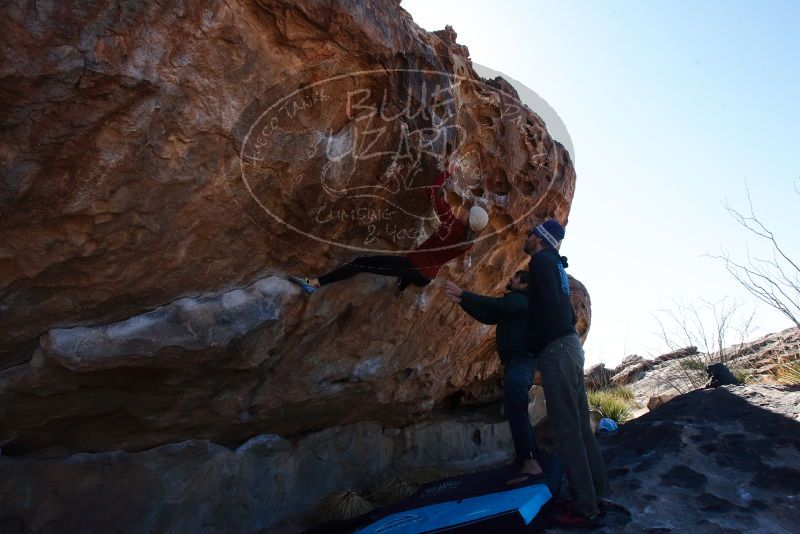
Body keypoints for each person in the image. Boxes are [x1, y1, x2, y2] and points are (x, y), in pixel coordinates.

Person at [523, 219, 609, 529]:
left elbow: (545, 309)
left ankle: (585, 507)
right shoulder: (556, 265)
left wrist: (531, 343)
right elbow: (569, 313)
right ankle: (599, 493)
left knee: (567, 430)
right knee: (581, 427)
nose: (526, 236)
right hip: (571, 347)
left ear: (540, 238)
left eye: (530, 232)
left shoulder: (540, 261)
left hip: (557, 351)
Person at [290, 163, 489, 294]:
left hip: (413, 267)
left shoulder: (451, 222)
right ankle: (400, 287)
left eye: (467, 211)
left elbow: (431, 191)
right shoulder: (467, 243)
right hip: (424, 277)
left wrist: (448, 171)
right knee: (402, 268)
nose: (463, 211)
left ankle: (314, 284)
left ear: (467, 217)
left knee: (360, 263)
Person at [443, 271, 543, 486]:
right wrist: (462, 301)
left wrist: (464, 294)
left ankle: (530, 464)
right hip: (518, 363)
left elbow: (496, 307)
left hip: (520, 362)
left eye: (515, 278)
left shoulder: (520, 300)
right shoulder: (515, 304)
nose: (510, 280)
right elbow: (489, 317)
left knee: (515, 410)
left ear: (523, 284)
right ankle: (531, 459)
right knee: (517, 410)